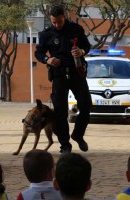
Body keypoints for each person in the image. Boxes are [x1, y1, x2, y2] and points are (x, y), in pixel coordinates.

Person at [34, 4, 92, 153]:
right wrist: (47, 60)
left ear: (64, 17)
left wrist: (81, 51)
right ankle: (65, 145)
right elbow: (38, 53)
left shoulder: (76, 29)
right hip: (59, 74)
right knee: (60, 112)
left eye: (59, 21)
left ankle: (78, 135)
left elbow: (87, 46)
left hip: (76, 72)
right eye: (54, 22)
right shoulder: (46, 34)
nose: (56, 25)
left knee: (86, 106)